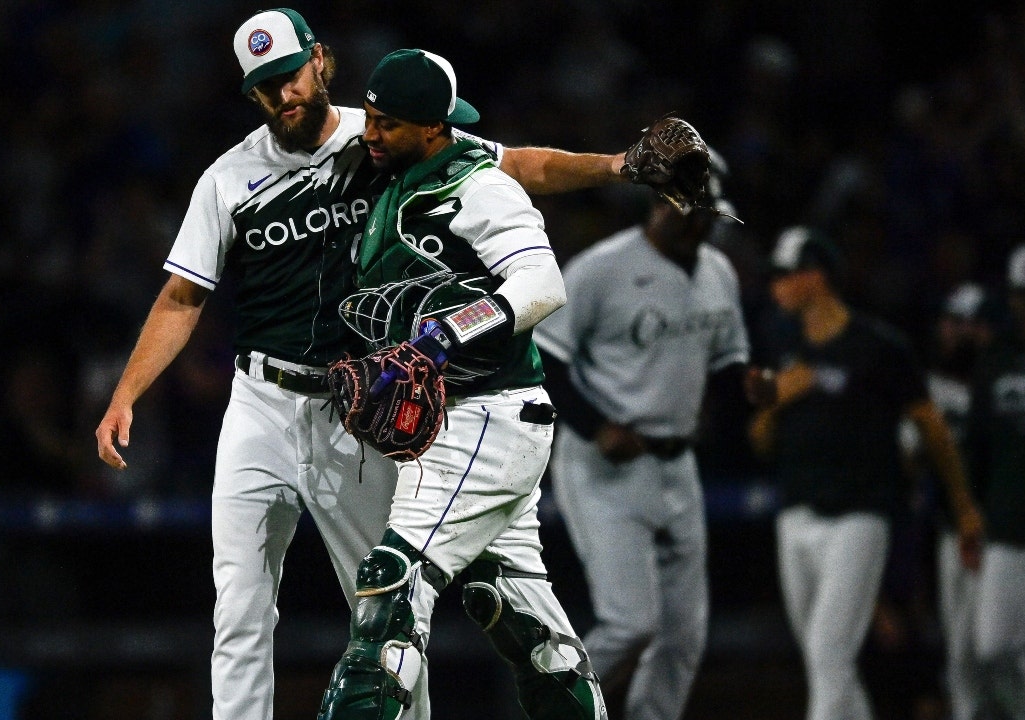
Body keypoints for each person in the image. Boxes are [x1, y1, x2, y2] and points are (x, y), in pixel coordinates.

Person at [92, 9, 650, 720]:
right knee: (238, 602)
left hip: (355, 406)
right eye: (267, 88)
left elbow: (513, 165)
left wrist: (615, 167)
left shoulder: (384, 132)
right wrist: (125, 395)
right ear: (252, 95)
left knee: (386, 606)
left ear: (319, 60)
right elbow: (180, 296)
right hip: (261, 400)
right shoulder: (228, 179)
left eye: (291, 76)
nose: (285, 96)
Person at [314, 48, 603, 720]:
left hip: (489, 415)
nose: (371, 133)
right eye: (371, 117)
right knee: (526, 627)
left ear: (433, 127)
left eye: (387, 122)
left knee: (392, 588)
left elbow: (540, 283)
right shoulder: (392, 184)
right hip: (453, 427)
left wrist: (444, 336)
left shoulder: (479, 186)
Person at [533, 157, 775, 719]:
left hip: (677, 462)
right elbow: (542, 358)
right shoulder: (601, 269)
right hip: (604, 464)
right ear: (657, 203)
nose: (698, 228)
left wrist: (750, 383)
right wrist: (596, 427)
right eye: (689, 214)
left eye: (706, 219)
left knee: (683, 637)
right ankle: (551, 708)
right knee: (631, 623)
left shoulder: (716, 270)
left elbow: (726, 361)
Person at [747, 226, 984, 720]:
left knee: (831, 654)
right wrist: (776, 401)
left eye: (787, 276)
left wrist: (963, 506)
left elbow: (932, 430)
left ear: (818, 277)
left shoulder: (879, 346)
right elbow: (761, 441)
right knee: (822, 660)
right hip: (796, 513)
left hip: (860, 515)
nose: (776, 287)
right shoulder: (780, 343)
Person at [899, 282, 1000, 720]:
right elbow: (906, 461)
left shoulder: (1012, 382)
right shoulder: (928, 391)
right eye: (953, 322)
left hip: (1015, 534)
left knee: (1006, 649)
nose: (961, 332)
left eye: (973, 323)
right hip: (952, 534)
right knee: (962, 651)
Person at [966, 242, 1025, 720]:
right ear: (1013, 300)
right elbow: (976, 447)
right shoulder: (994, 359)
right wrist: (971, 515)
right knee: (993, 647)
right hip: (1008, 528)